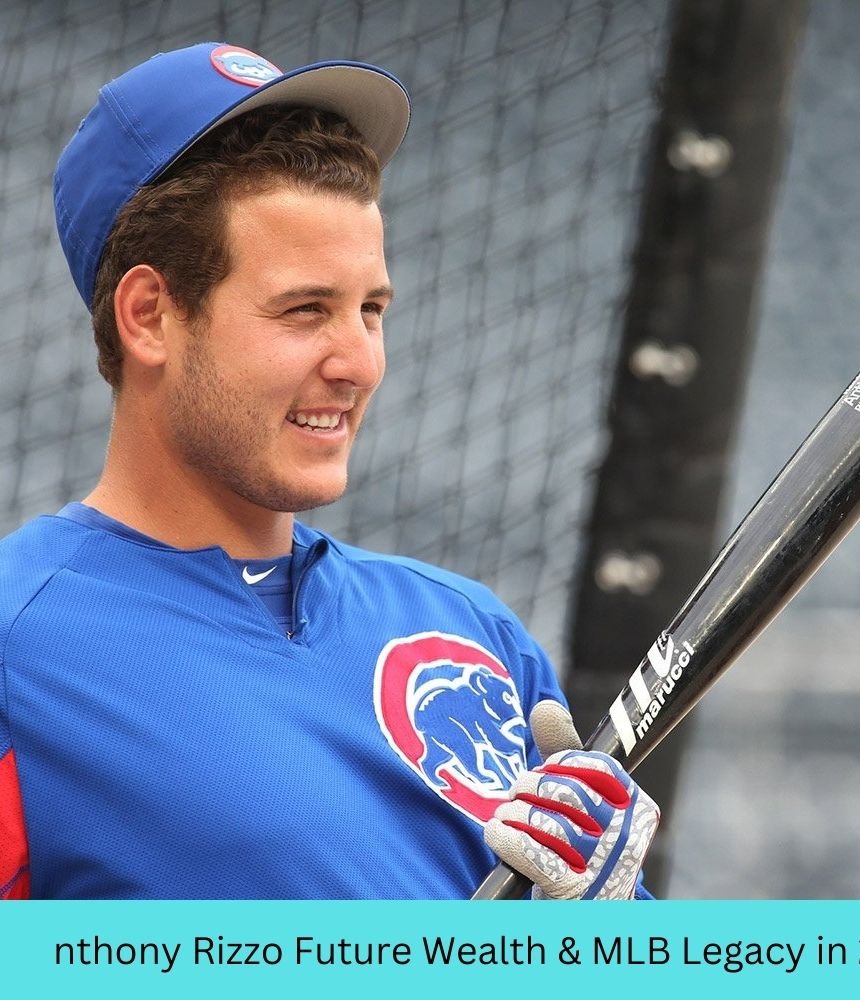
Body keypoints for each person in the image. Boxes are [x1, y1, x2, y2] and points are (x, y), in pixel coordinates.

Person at [0, 42, 658, 900]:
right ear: (150, 317)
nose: (358, 362)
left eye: (370, 310)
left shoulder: (470, 629)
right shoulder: (22, 643)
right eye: (305, 310)